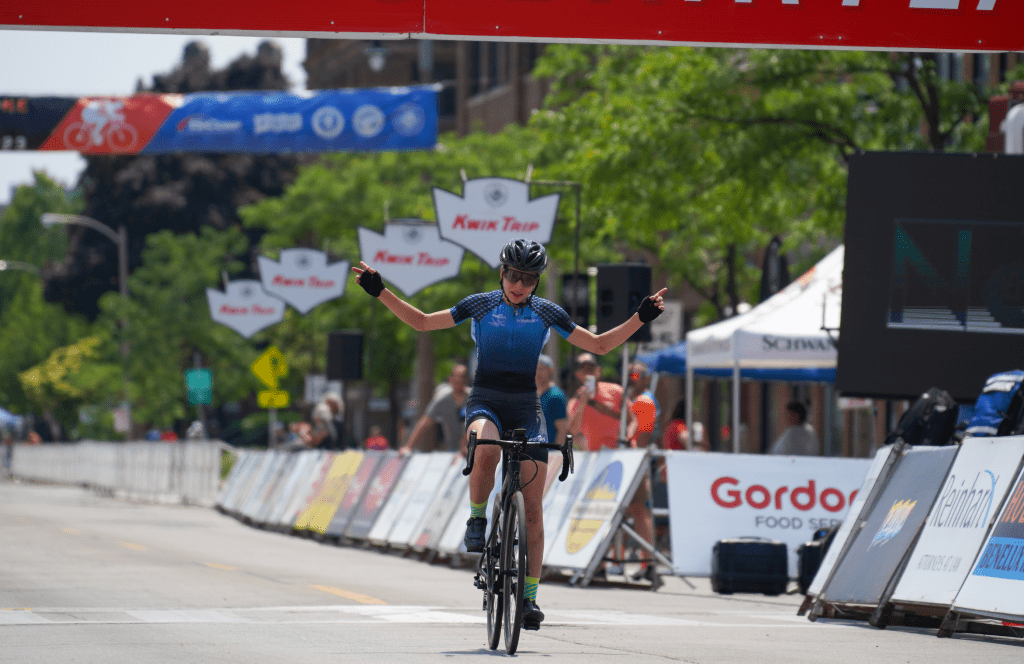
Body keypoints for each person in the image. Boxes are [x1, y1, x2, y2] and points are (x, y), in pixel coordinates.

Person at [353, 238, 665, 631]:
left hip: (525, 405)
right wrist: (381, 292)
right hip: (485, 399)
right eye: (514, 276)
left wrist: (640, 317)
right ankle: (478, 518)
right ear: (502, 273)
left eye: (529, 279)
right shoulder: (480, 304)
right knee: (485, 446)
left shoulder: (547, 312)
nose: (520, 285)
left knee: (533, 510)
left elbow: (600, 345)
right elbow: (422, 321)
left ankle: (530, 598)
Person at [567, 353, 636, 451]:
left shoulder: (616, 391)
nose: (588, 374)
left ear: (598, 371)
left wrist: (629, 436)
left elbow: (633, 420)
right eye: (584, 370)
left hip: (619, 451)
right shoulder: (574, 402)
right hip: (594, 456)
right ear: (577, 374)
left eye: (591, 369)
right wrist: (582, 403)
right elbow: (574, 431)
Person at [398, 364, 469, 455]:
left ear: (466, 380)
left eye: (462, 377)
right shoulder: (442, 399)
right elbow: (425, 422)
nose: (459, 380)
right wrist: (408, 447)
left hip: (473, 450)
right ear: (450, 379)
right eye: (456, 377)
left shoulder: (473, 399)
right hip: (452, 450)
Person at [536, 355, 568, 451]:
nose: (538, 373)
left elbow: (562, 429)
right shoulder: (531, 395)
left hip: (548, 454)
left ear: (551, 370)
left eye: (542, 369)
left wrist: (556, 454)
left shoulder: (555, 396)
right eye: (536, 369)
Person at [627, 362, 660, 448]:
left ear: (646, 379)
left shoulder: (644, 400)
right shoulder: (632, 397)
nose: (631, 379)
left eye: (635, 375)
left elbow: (644, 437)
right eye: (628, 375)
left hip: (639, 454)